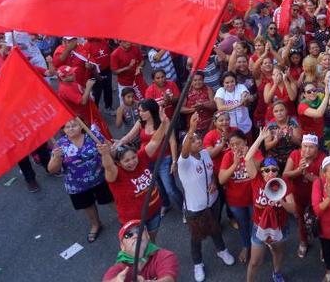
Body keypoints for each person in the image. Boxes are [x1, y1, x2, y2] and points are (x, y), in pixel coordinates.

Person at [177, 114, 235, 281]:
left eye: (198, 139)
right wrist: (192, 129)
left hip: (213, 201)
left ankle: (221, 250)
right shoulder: (184, 162)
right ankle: (197, 263)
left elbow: (211, 174)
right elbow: (185, 151)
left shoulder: (205, 154)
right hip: (195, 207)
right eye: (194, 140)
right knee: (196, 237)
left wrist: (214, 184)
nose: (198, 141)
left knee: (215, 227)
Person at [100, 110, 170, 240]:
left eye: (133, 157)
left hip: (154, 212)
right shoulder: (116, 174)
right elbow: (109, 167)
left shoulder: (141, 157)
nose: (132, 162)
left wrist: (164, 123)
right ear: (119, 163)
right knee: (138, 250)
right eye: (126, 161)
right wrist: (105, 154)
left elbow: (155, 141)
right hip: (133, 221)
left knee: (151, 241)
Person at [48, 118, 113, 243]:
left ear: (82, 126)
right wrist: (57, 158)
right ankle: (96, 225)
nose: (71, 128)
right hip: (77, 185)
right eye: (67, 127)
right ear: (63, 130)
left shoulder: (93, 135)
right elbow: (51, 169)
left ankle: (125, 219)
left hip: (101, 177)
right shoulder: (59, 145)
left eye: (74, 125)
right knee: (87, 205)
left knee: (111, 200)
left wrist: (106, 151)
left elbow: (110, 148)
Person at [245, 130, 297, 282]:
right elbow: (248, 158)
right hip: (259, 226)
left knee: (277, 252)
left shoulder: (284, 183)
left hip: (279, 226)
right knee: (255, 261)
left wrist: (280, 199)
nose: (270, 173)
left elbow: (293, 209)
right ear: (261, 171)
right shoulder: (256, 180)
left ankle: (277, 272)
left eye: (274, 170)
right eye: (266, 170)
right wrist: (260, 138)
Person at [218, 129, 262, 263]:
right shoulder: (227, 156)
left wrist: (248, 155)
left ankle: (257, 248)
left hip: (253, 199)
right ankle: (246, 246)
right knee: (243, 224)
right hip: (235, 201)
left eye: (239, 143)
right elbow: (221, 179)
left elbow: (256, 173)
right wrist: (235, 164)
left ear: (246, 142)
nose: (236, 147)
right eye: (232, 145)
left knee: (256, 224)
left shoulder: (256, 153)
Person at [283, 133, 324, 258]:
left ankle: (324, 245)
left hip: (316, 196)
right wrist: (298, 171)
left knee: (320, 220)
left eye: (311, 147)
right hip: (298, 194)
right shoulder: (295, 154)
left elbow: (323, 181)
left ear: (317, 147)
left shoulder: (322, 158)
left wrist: (306, 174)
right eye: (304, 146)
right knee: (301, 219)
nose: (307, 150)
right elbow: (286, 174)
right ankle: (303, 241)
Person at [102, 219, 179, 282]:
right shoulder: (118, 269)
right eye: (128, 235)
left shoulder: (165, 256)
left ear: (147, 235)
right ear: (122, 246)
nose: (135, 235)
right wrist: (116, 281)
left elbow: (169, 279)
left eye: (139, 230)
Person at [264, 100, 303, 168]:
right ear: (273, 113)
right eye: (276, 111)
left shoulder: (293, 122)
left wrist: (290, 136)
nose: (279, 113)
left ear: (286, 111)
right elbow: (266, 146)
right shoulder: (270, 126)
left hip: (292, 156)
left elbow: (300, 143)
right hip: (275, 157)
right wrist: (276, 140)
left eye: (281, 110)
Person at [180, 71, 216, 136]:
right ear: (191, 81)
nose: (197, 82)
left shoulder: (208, 89)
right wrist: (194, 109)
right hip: (193, 126)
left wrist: (203, 105)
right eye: (195, 80)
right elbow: (180, 109)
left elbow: (214, 105)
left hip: (208, 125)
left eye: (200, 80)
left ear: (203, 80)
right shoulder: (187, 91)